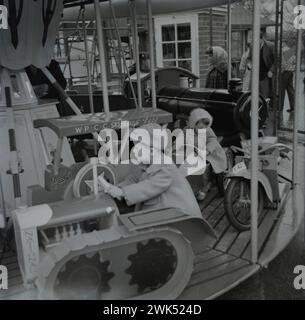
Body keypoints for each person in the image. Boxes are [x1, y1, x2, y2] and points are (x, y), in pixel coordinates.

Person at [100, 123, 210, 220]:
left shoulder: (166, 167)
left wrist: (124, 192)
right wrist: (118, 188)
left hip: (180, 216)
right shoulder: (146, 163)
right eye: (135, 145)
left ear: (153, 149)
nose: (135, 150)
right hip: (163, 211)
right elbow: (135, 179)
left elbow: (150, 186)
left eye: (139, 147)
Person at [187, 108, 227, 200]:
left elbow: (213, 140)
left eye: (205, 127)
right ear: (193, 124)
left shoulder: (208, 130)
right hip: (197, 152)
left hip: (212, 153)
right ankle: (193, 186)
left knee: (207, 168)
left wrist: (207, 150)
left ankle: (205, 188)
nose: (203, 129)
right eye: (200, 128)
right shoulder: (189, 131)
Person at [280, 42, 296, 113]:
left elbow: (283, 63)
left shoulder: (283, 51)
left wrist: (281, 71)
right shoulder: (291, 51)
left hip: (285, 72)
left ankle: (280, 108)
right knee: (290, 90)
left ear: (283, 44)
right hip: (291, 72)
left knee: (281, 90)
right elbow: (294, 61)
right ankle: (293, 107)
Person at [259, 32, 275, 99]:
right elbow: (249, 58)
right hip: (256, 75)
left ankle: (266, 108)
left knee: (265, 95)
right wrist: (249, 63)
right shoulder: (252, 45)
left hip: (266, 75)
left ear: (262, 39)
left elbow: (277, 60)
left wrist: (271, 70)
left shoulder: (271, 46)